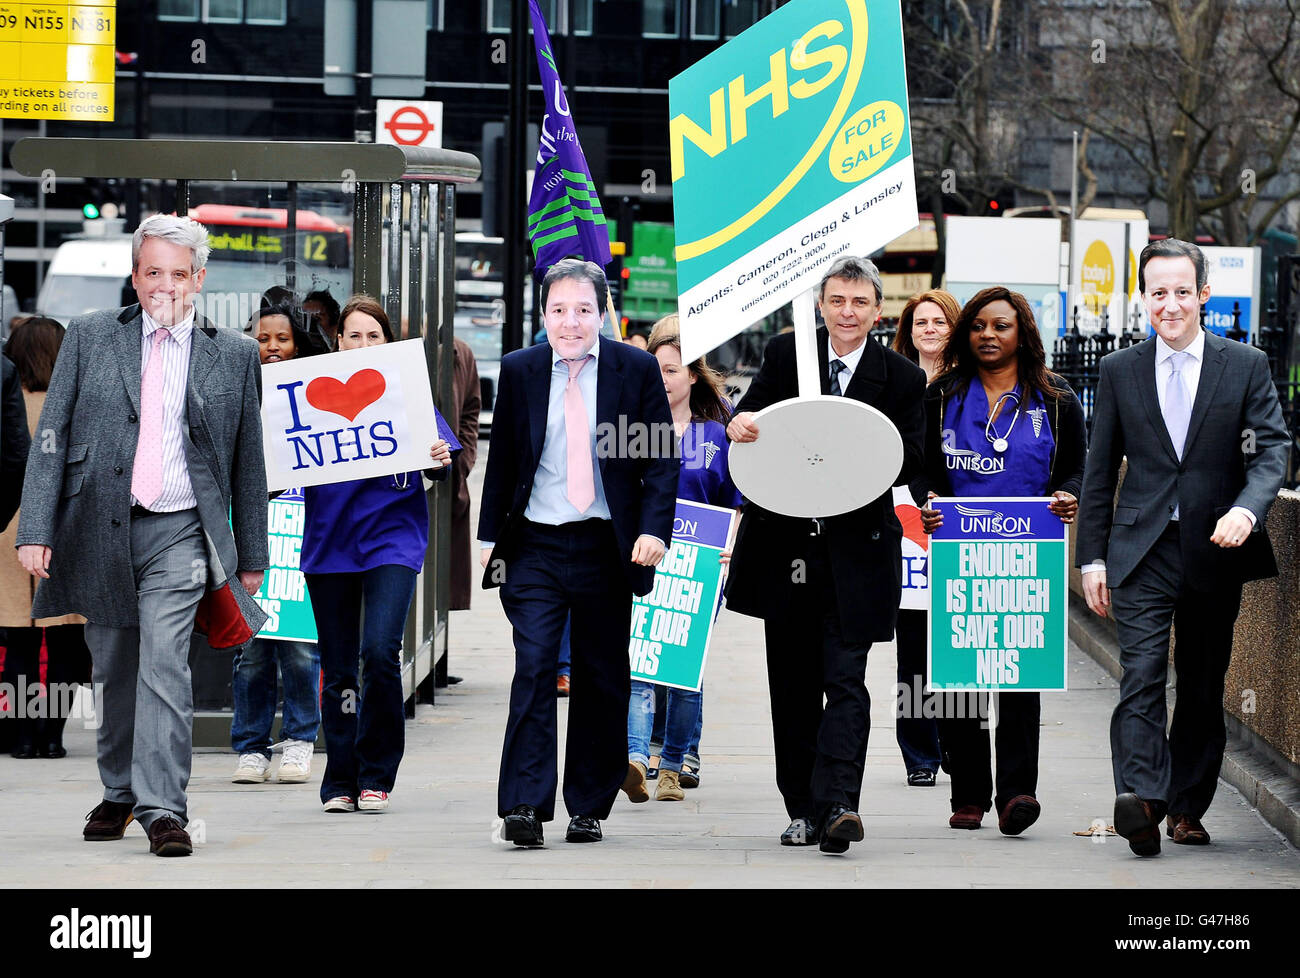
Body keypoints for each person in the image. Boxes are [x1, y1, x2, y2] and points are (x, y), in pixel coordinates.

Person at [16, 213, 269, 857]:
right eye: (151, 272)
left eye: (177, 275)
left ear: (200, 280)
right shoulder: (92, 337)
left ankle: (163, 809)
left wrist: (252, 559)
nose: (164, 287)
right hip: (100, 524)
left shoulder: (234, 354)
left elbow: (249, 461)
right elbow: (52, 442)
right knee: (115, 665)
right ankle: (120, 790)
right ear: (134, 276)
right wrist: (36, 528)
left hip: (181, 532)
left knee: (164, 662)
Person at [1076, 238, 1288, 856]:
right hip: (1139, 549)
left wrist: (1248, 510)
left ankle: (1187, 806)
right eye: (1157, 292)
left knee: (1200, 680)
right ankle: (1141, 801)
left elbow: (1271, 448)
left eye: (1181, 291)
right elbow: (1097, 472)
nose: (1169, 304)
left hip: (1213, 546)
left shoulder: (1244, 364)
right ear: (1144, 297)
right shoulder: (1119, 370)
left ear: (1203, 295)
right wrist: (1092, 558)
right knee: (1139, 673)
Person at [725, 256, 926, 854]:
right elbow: (750, 417)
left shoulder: (902, 378)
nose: (848, 312)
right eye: (838, 300)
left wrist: (859, 445)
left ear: (878, 310)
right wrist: (739, 425)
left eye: (860, 302)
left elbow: (914, 459)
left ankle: (840, 802)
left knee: (846, 680)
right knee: (791, 687)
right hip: (786, 550)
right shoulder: (790, 357)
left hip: (857, 556)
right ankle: (801, 808)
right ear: (821, 304)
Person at [479, 258, 677, 847]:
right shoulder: (519, 371)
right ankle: (523, 804)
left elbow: (662, 460)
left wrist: (653, 530)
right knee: (535, 666)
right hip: (535, 545)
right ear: (543, 315)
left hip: (605, 546)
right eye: (559, 310)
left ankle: (588, 803)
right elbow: (506, 463)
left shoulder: (633, 369)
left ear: (602, 314)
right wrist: (492, 541)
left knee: (600, 675)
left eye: (583, 310)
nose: (571, 322)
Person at [918, 287, 1087, 835]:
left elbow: (1076, 470)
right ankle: (968, 795)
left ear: (1022, 334)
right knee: (960, 679)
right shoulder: (941, 395)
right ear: (966, 334)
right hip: (958, 551)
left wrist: (1067, 495)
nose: (989, 335)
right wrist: (928, 502)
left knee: (1019, 675)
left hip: (1028, 553)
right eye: (978, 326)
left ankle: (1017, 792)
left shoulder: (1057, 399)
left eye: (1002, 326)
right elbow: (918, 466)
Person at [302, 294, 454, 814]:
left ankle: (377, 774)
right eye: (354, 335)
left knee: (379, 654)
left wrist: (437, 458)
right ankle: (339, 778)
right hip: (330, 542)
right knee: (340, 667)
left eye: (374, 335)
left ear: (388, 343)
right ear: (338, 341)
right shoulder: (306, 394)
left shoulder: (406, 391)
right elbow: (277, 461)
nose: (363, 344)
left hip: (392, 538)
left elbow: (442, 459)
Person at [622, 314, 742, 804]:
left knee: (684, 671)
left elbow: (736, 500)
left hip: (700, 568)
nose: (663, 378)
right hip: (643, 562)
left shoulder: (718, 435)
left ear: (693, 375)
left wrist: (731, 545)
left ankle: (673, 764)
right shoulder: (631, 430)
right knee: (640, 665)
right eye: (656, 369)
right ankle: (633, 758)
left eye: (672, 370)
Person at [230, 300, 325, 785]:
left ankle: (300, 741)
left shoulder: (315, 394)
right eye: (263, 339)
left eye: (281, 339)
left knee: (302, 649)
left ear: (298, 344)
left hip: (303, 534)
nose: (271, 348)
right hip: (251, 534)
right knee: (251, 649)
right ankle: (250, 747)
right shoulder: (236, 389)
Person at [1, 319, 92, 760]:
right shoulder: (75, 403)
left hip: (7, 527)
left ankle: (20, 736)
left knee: (17, 639)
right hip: (63, 528)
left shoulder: (6, 398)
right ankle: (51, 735)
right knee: (66, 643)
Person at [889, 290, 961, 786]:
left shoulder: (968, 386)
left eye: (939, 321)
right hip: (905, 520)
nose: (929, 329)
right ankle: (919, 753)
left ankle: (957, 744)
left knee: (955, 641)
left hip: (958, 523)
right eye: (920, 322)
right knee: (913, 645)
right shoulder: (895, 382)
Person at [441, 335, 481, 687]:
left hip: (448, 483)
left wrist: (464, 460)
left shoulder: (459, 351)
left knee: (443, 570)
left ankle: (437, 657)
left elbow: (470, 411)